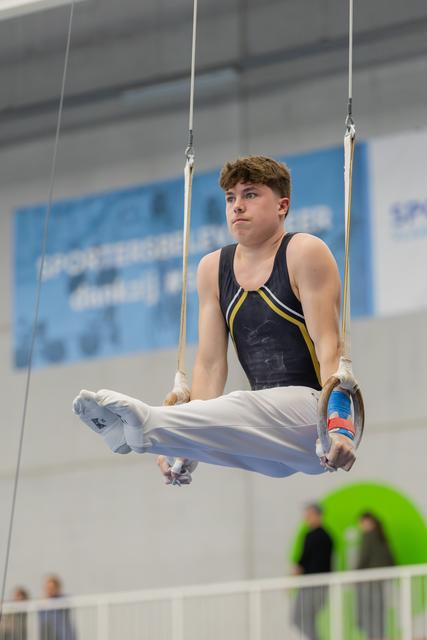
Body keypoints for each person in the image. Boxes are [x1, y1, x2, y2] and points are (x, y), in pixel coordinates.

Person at [73, 156, 356, 481]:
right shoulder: (212, 268)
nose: (237, 206)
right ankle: (146, 439)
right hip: (266, 446)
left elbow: (330, 346)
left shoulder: (303, 251)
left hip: (314, 421)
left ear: (282, 206)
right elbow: (209, 366)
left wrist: (340, 423)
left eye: (250, 194)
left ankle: (148, 424)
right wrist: (186, 449)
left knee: (241, 403)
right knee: (223, 419)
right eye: (230, 198)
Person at [293, 504, 334, 640]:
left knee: (300, 618)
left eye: (309, 515)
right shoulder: (326, 536)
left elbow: (304, 561)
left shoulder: (316, 536)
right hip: (318, 585)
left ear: (318, 515)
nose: (307, 518)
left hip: (313, 585)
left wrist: (296, 572)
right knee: (306, 619)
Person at [356, 513, 395, 640]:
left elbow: (363, 559)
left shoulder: (369, 536)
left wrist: (354, 575)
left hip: (370, 580)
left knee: (369, 613)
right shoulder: (382, 537)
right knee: (377, 612)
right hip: (380, 581)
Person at [38, 575, 76, 640]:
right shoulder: (42, 605)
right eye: (48, 588)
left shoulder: (63, 601)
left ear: (57, 588)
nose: (50, 591)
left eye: (52, 588)